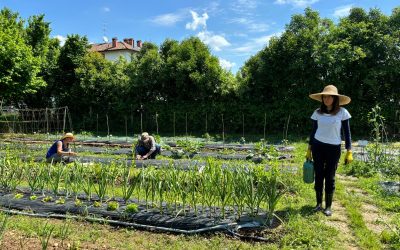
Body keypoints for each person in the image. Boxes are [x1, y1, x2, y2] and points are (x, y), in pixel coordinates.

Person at [306, 85, 353, 216]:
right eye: (324, 97)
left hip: (333, 148)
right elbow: (313, 131)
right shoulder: (317, 112)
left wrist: (349, 151)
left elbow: (347, 133)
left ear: (335, 98)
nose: (326, 99)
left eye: (329, 96)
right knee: (319, 174)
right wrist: (309, 149)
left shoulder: (342, 112)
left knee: (330, 176)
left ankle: (328, 206)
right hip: (318, 146)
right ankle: (318, 204)